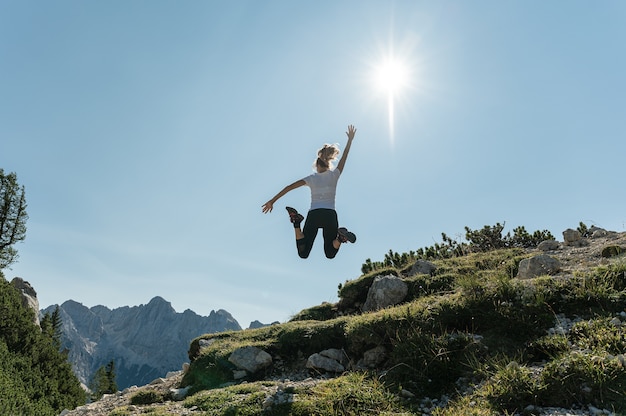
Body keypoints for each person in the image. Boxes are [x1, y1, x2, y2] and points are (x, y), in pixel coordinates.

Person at [262, 124, 357, 259]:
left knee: (303, 252)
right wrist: (350, 140)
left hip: (314, 214)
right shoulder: (334, 175)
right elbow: (344, 157)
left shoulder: (311, 179)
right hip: (330, 215)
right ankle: (341, 238)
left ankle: (296, 221)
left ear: (317, 164)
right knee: (330, 253)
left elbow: (289, 187)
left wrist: (272, 201)